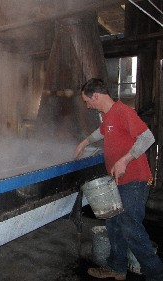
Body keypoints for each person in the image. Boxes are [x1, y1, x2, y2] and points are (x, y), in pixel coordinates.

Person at [74, 78, 163, 281]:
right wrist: (83, 143)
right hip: (118, 181)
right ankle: (117, 268)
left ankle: (156, 274)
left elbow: (147, 137)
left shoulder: (123, 111)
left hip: (135, 181)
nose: (87, 105)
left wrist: (124, 160)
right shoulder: (108, 116)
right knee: (113, 223)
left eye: (87, 101)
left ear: (96, 96)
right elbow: (103, 132)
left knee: (130, 227)